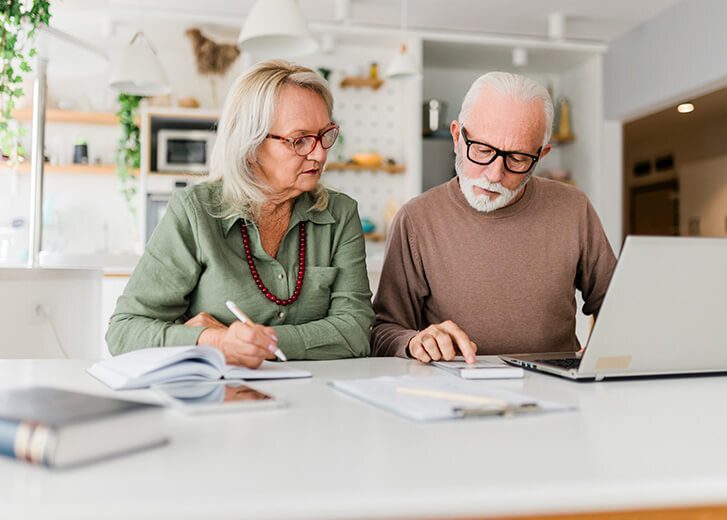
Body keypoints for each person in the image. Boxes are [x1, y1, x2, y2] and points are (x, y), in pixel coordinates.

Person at [107, 60, 374, 367]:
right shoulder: (195, 212)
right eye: (299, 140)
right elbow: (124, 332)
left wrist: (254, 342)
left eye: (325, 134)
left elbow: (355, 332)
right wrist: (212, 341)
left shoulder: (340, 214)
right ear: (250, 145)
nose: (320, 153)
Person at [372, 71, 616, 364]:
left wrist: (607, 351)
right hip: (455, 390)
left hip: (558, 387)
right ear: (456, 137)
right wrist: (413, 341)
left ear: (543, 154)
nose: (494, 174)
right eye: (483, 150)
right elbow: (384, 331)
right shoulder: (416, 219)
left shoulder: (573, 208)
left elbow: (615, 303)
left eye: (517, 159)